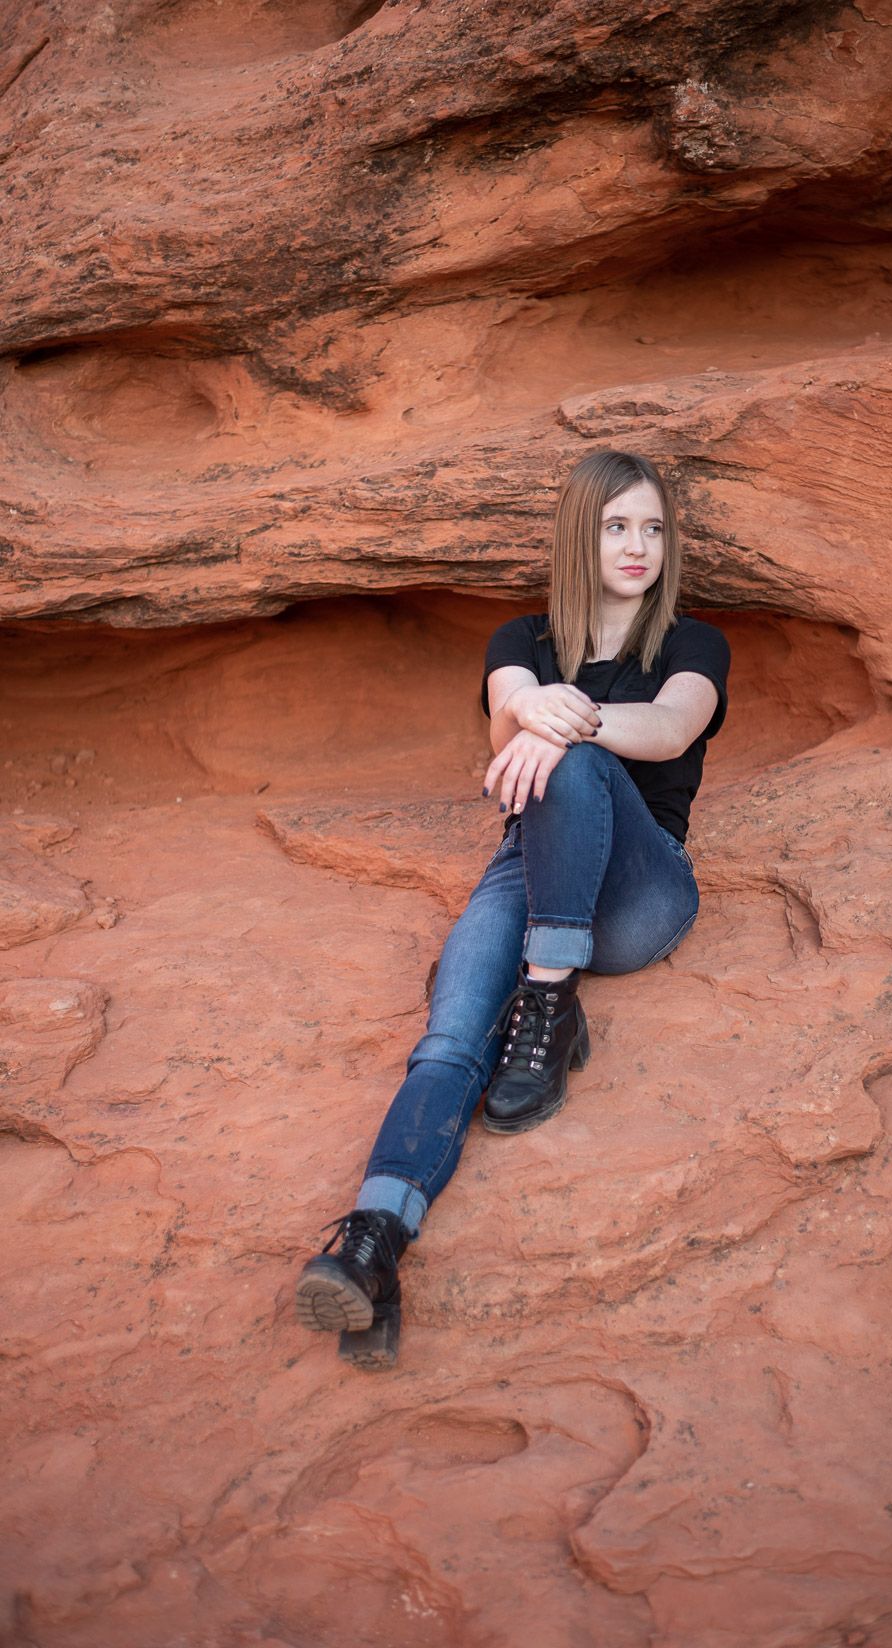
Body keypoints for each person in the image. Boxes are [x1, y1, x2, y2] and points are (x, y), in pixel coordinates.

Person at [294, 449, 731, 1368]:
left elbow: (673, 726)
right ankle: (373, 1248)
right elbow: (506, 720)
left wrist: (566, 723)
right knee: (450, 1040)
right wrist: (536, 707)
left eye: (654, 527)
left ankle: (546, 997)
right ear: (581, 533)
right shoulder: (520, 641)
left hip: (641, 890)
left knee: (576, 758)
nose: (638, 545)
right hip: (526, 871)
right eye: (617, 525)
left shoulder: (692, 645)